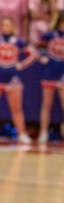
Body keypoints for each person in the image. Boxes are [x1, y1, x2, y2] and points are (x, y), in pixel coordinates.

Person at [37, 15, 64, 143]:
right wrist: (41, 56)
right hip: (50, 73)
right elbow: (36, 45)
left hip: (62, 74)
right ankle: (43, 132)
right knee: (46, 104)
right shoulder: (49, 35)